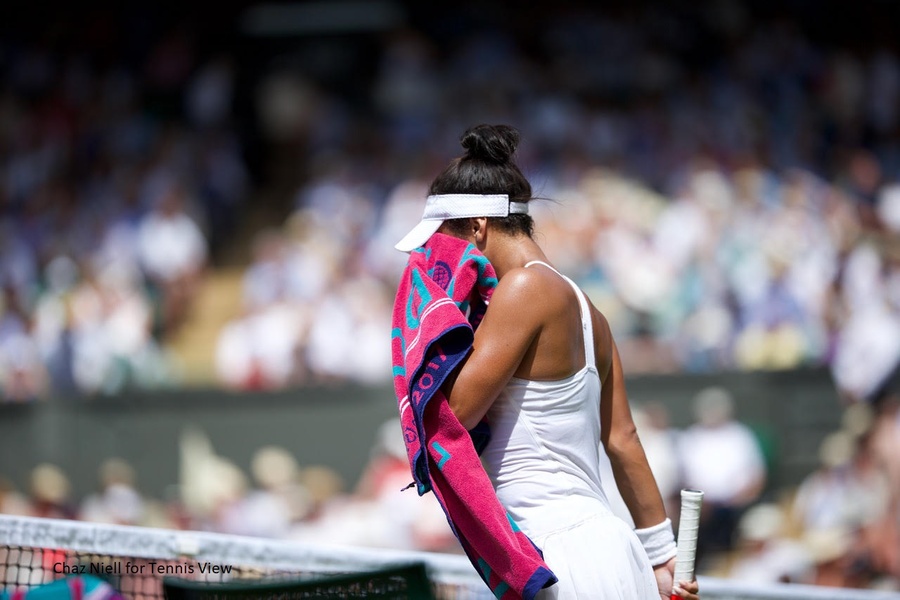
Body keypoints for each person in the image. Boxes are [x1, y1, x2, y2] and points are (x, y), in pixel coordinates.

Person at [394, 124, 700, 599]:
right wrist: (661, 556)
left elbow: (454, 415)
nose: (433, 256)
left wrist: (430, 324)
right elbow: (623, 439)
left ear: (477, 228)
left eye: (441, 240)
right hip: (610, 553)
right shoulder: (589, 310)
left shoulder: (524, 289)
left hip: (561, 559)